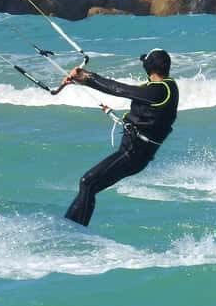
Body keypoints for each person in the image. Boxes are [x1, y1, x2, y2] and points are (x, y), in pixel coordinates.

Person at [62, 48, 179, 226]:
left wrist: (87, 77)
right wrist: (80, 80)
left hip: (134, 154)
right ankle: (71, 228)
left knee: (87, 182)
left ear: (149, 68)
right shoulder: (164, 87)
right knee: (90, 187)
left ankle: (72, 231)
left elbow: (121, 90)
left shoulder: (161, 90)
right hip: (135, 152)